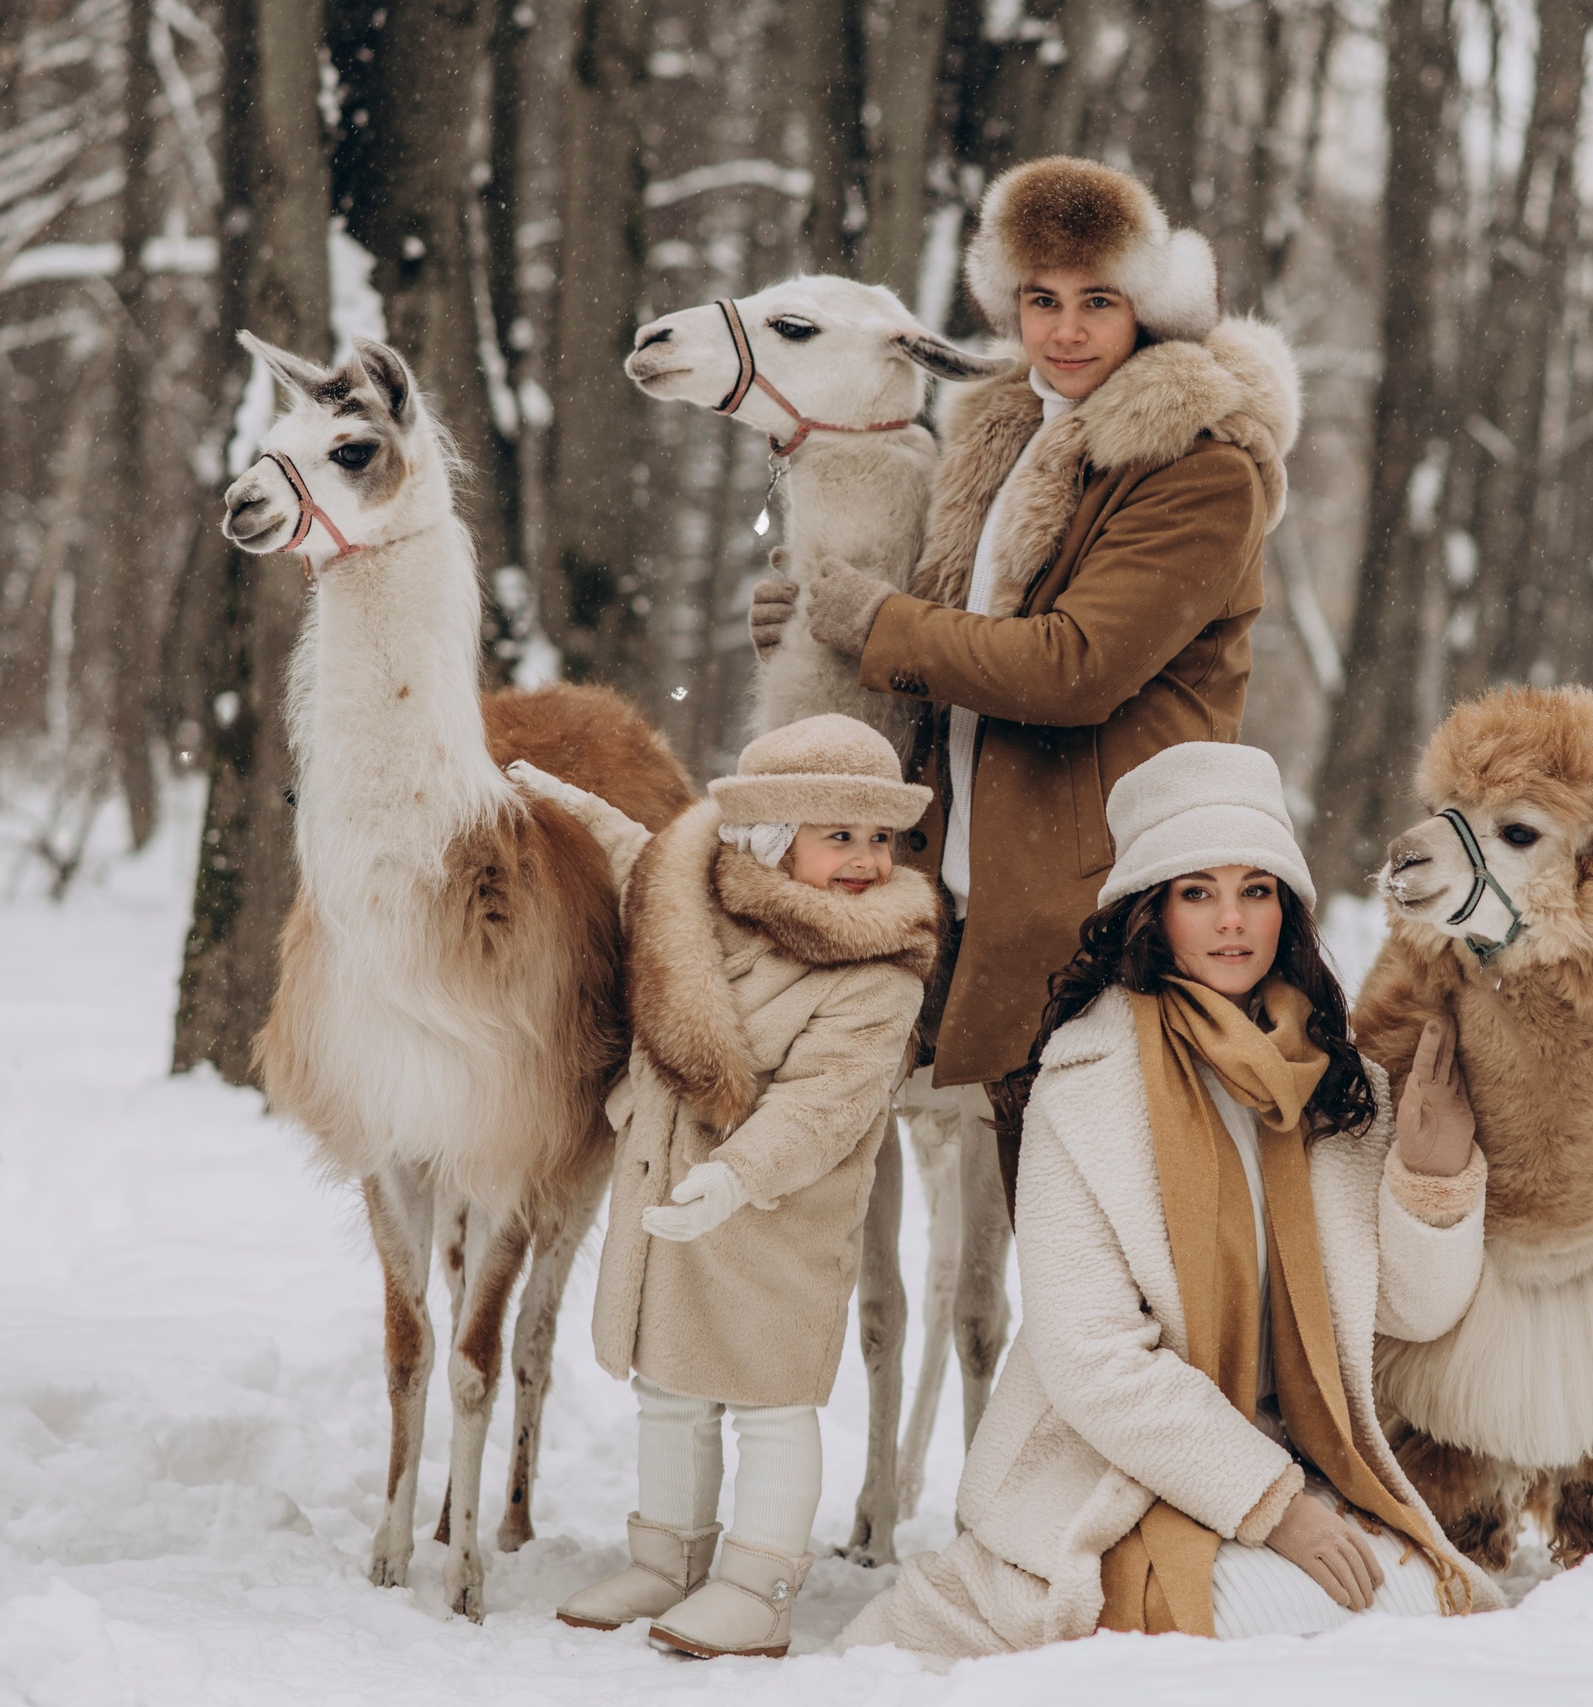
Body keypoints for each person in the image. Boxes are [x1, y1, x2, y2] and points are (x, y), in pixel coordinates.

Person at [836, 743, 1500, 1658]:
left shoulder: (1334, 1081)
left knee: (1422, 1606)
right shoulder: (1087, 1081)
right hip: (1113, 1474)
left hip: (1297, 1464)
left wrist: (1431, 1174)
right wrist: (1274, 1507)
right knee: (1271, 1628)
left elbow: (1407, 1315)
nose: (1232, 921)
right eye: (1198, 892)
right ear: (1152, 911)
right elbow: (1094, 1358)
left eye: (1256, 889)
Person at [747, 156, 1302, 1200]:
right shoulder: (1009, 438)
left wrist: (879, 624)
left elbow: (1071, 668)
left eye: (1099, 301)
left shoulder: (1199, 468)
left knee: (1104, 1236)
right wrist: (819, 634)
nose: (1067, 330)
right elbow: (949, 640)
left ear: (1148, 308)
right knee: (1018, 1224)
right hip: (978, 890)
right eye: (1041, 301)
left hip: (1108, 905)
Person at [520, 714, 941, 1660]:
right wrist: (571, 806)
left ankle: (760, 1584)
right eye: (840, 834)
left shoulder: (879, 969)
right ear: (769, 837)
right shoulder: (705, 898)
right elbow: (643, 862)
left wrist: (739, 1175)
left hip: (781, 1224)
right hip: (674, 1200)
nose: (868, 860)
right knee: (671, 1388)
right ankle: (667, 1558)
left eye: (881, 837)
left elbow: (826, 1104)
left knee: (771, 1402)